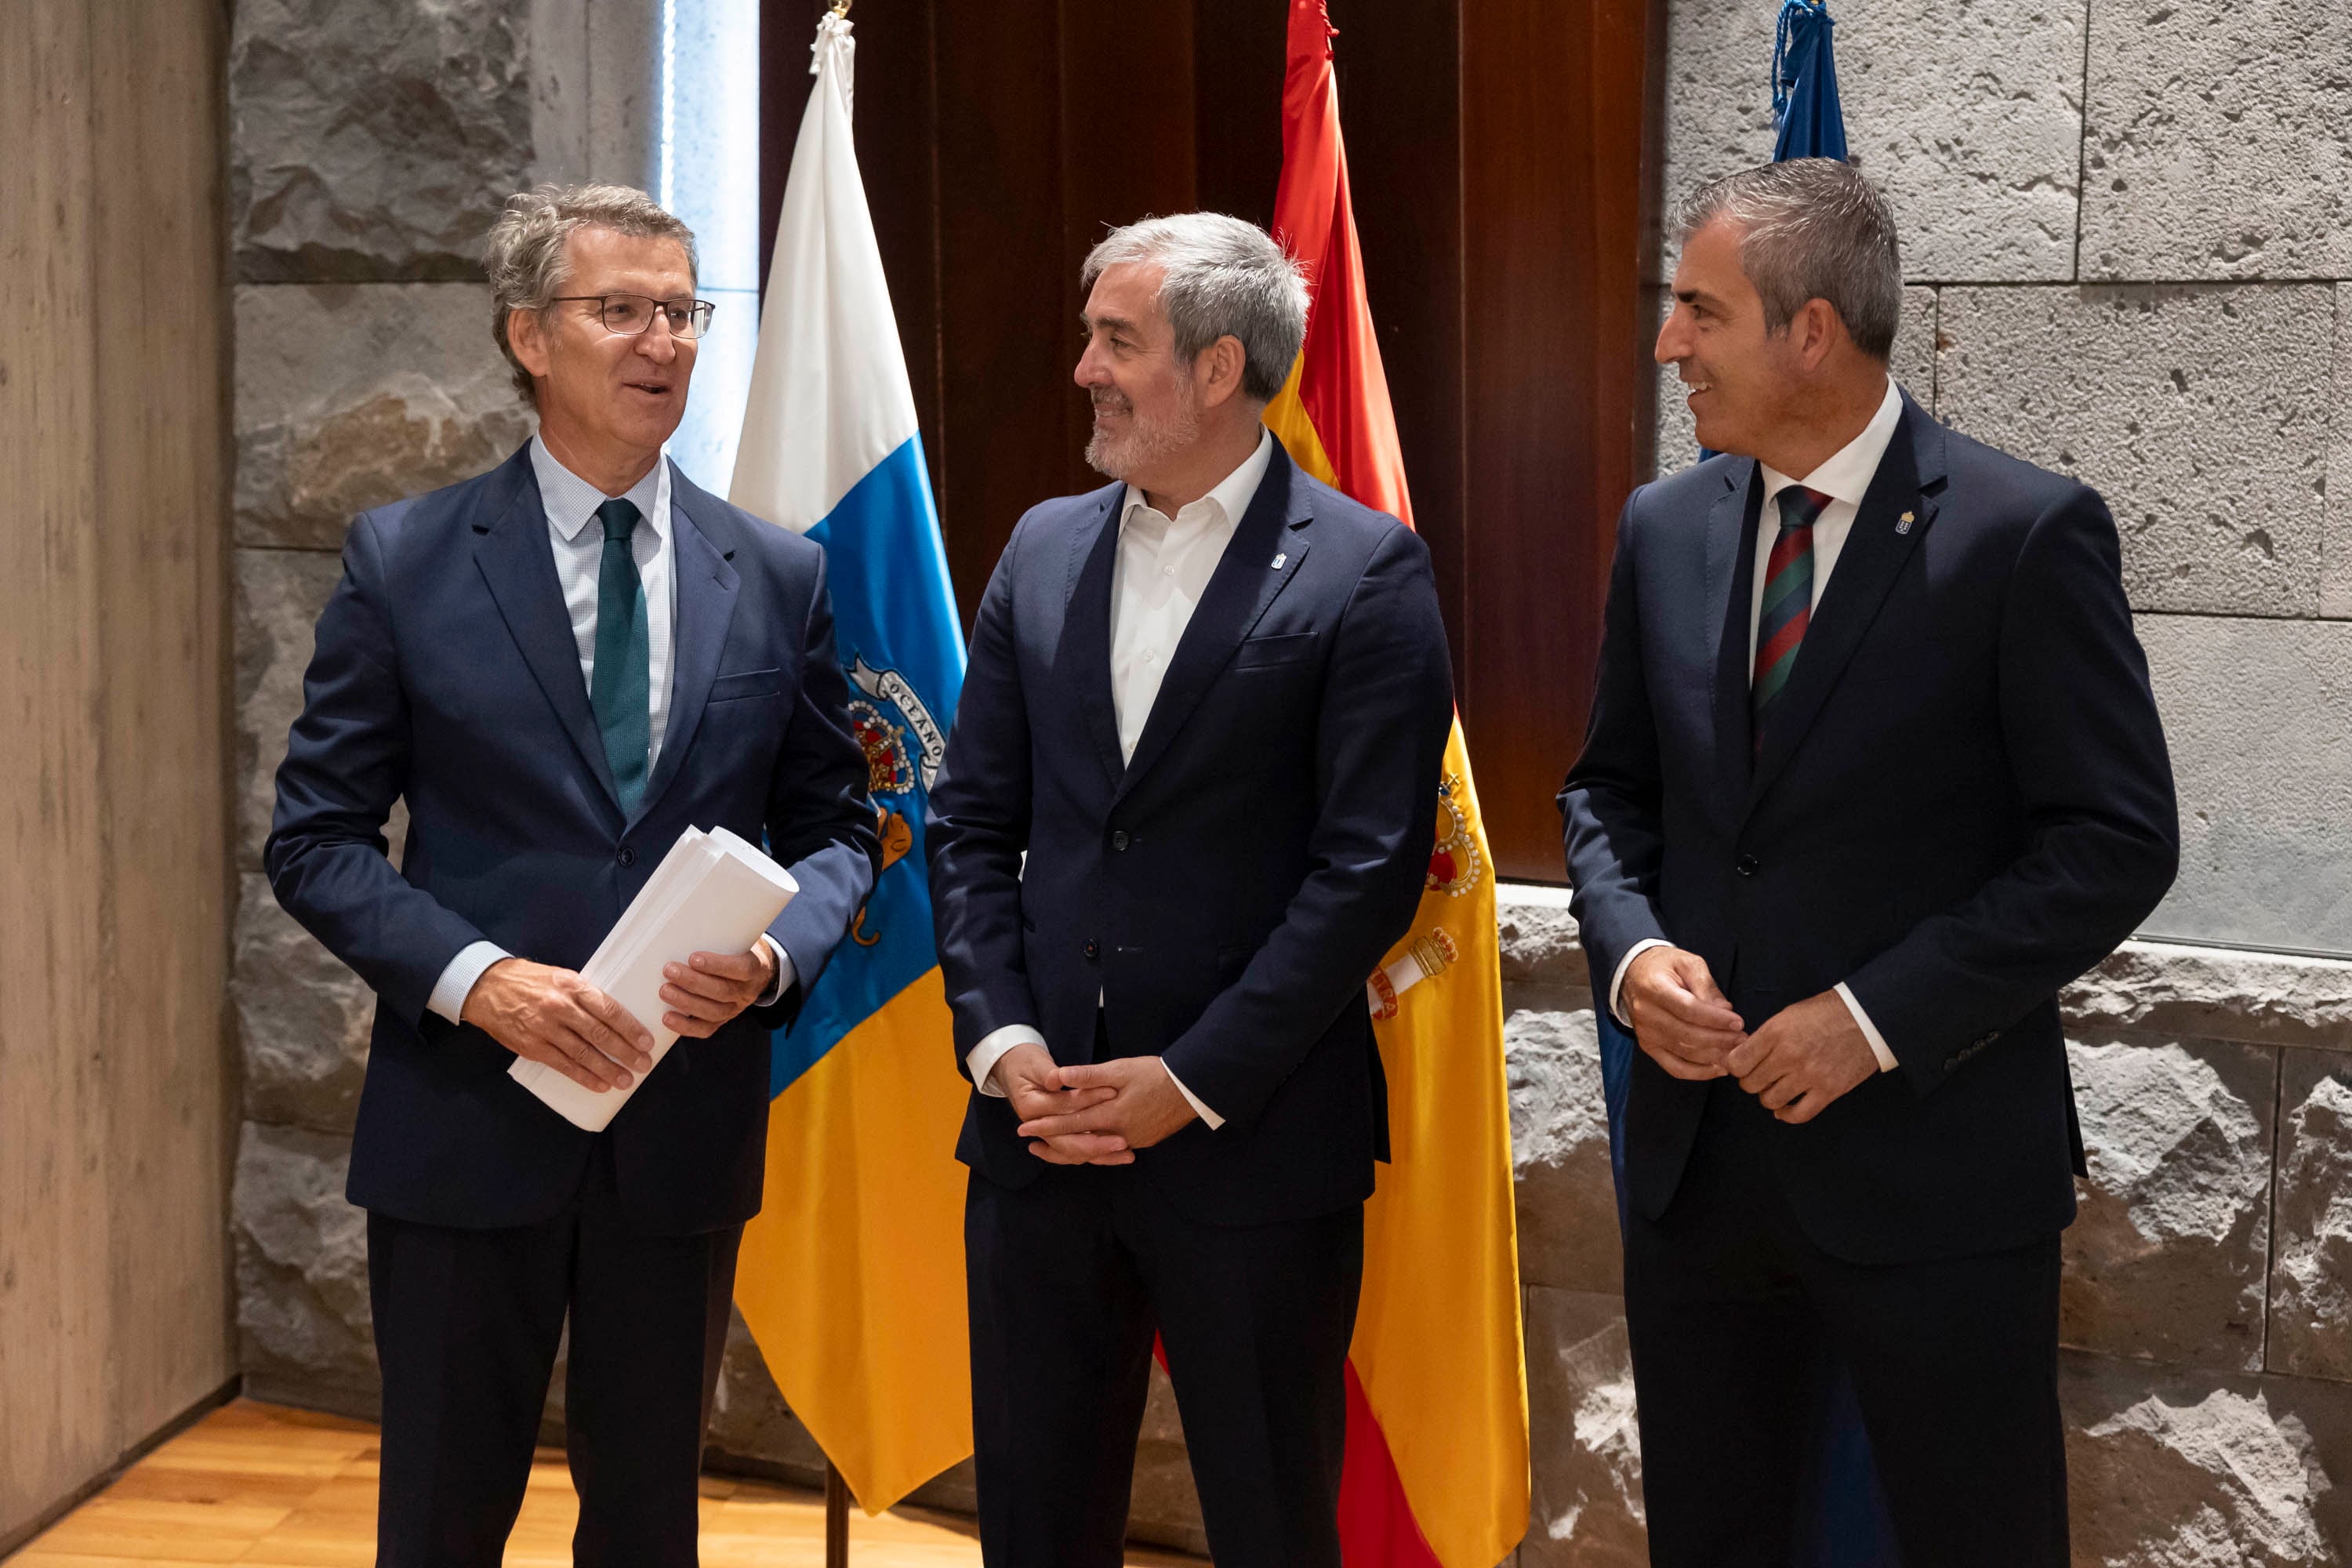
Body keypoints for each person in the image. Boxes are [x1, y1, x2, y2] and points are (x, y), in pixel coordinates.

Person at [1559, 158, 2177, 1568]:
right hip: (1699, 1176)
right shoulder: (1665, 529)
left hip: (1937, 1181)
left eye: (1698, 311)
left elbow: (2116, 841)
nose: (1668, 345)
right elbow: (1607, 791)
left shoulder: (2026, 535)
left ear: (1813, 332)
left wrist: (1873, 1019)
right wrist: (1633, 952)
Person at [265, 183, 878, 1567]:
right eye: (621, 311)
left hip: (681, 1130)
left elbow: (843, 831)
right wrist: (480, 986)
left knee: (652, 1521)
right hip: (466, 1126)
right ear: (530, 336)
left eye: (683, 312)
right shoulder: (406, 560)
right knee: (439, 1514)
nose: (660, 341)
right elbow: (312, 841)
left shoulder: (777, 572)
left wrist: (778, 959)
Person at [924, 212, 1456, 1566]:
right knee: (1035, 1529)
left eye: (1119, 341)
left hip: (1254, 1145)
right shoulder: (1041, 547)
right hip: (1039, 1138)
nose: (1086, 369)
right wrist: (1001, 1043)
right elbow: (971, 824)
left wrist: (1191, 1078)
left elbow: (1368, 871)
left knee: (1273, 1525)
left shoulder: (1364, 569)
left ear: (1219, 369)